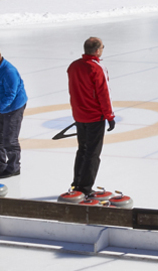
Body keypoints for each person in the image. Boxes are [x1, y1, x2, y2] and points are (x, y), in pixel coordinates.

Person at [67, 37, 116, 196]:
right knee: (93, 153)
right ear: (97, 50)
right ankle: (85, 188)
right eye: (102, 47)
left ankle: (77, 183)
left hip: (79, 115)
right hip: (94, 116)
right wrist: (109, 116)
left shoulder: (73, 66)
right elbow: (104, 94)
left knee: (82, 149)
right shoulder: (97, 68)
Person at [0, 45, 28, 179]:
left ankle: (14, 168)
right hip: (3, 106)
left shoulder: (9, 71)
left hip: (14, 107)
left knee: (9, 139)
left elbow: (10, 95)